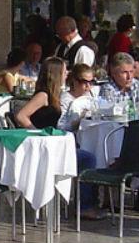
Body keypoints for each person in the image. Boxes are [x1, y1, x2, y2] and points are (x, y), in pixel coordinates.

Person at [15, 58, 100, 219]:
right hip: (46, 147)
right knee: (88, 159)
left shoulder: (55, 95)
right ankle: (85, 205)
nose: (67, 73)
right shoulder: (43, 95)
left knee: (86, 155)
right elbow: (21, 116)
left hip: (54, 144)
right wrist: (39, 134)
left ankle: (89, 202)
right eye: (64, 71)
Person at [58, 63, 99, 132]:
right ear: (75, 81)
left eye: (91, 82)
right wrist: (79, 121)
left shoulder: (90, 96)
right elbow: (61, 126)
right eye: (84, 82)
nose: (88, 86)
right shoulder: (66, 99)